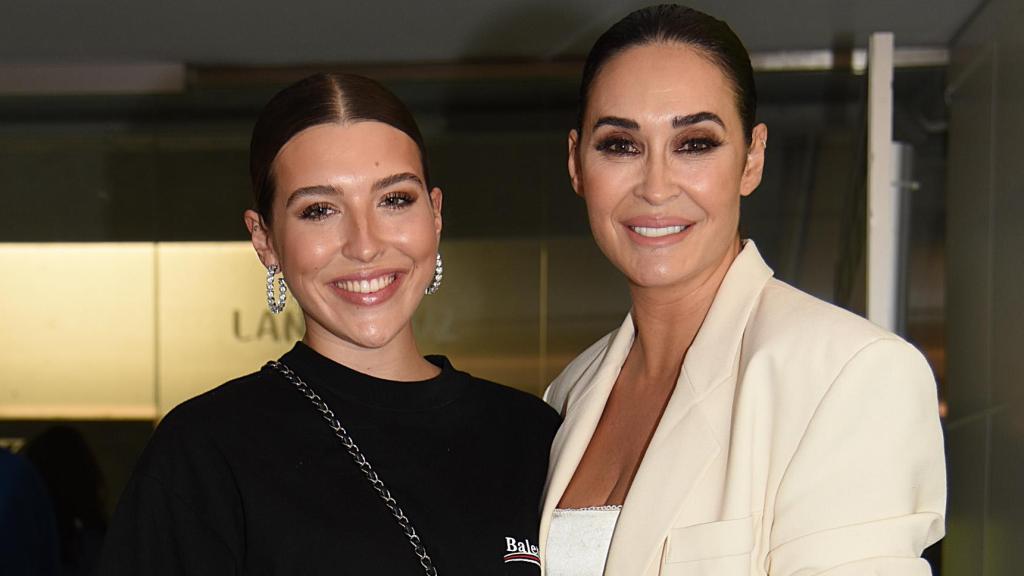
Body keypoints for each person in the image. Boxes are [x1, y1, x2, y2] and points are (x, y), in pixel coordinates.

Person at [99, 73, 560, 575]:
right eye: (319, 210)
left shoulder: (531, 434)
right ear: (265, 240)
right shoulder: (206, 453)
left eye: (394, 200)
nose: (364, 244)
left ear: (436, 214)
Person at [540, 5, 946, 576]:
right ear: (577, 165)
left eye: (695, 143)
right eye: (621, 146)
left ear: (751, 159)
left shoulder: (848, 374)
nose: (656, 187)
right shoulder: (568, 393)